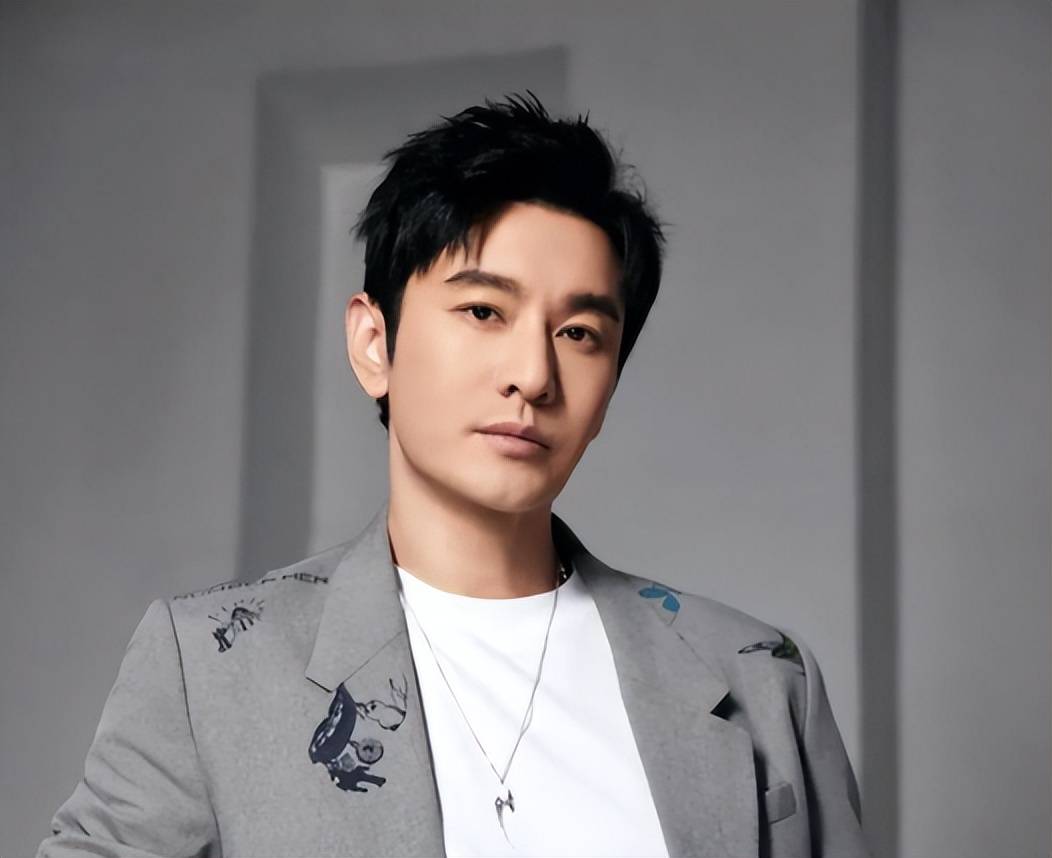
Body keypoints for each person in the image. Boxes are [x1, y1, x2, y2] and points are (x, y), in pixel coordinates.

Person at [38, 93, 869, 858]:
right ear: (375, 345)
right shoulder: (210, 670)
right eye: (483, 311)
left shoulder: (761, 679)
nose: (533, 376)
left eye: (580, 334)